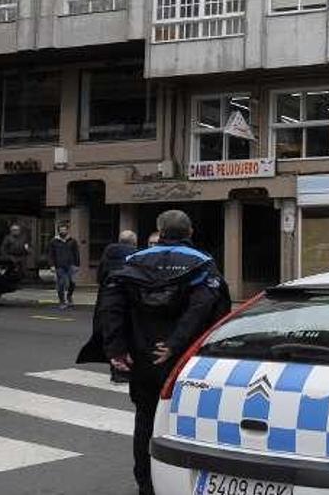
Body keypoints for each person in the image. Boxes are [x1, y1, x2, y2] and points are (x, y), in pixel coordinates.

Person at [76, 210, 230, 495]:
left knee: (145, 420)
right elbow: (205, 309)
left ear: (159, 231)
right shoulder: (203, 264)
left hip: (142, 358)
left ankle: (145, 485)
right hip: (183, 360)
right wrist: (175, 344)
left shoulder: (132, 262)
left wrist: (116, 349)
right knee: (186, 422)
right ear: (190, 232)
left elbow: (109, 307)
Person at [97, 230, 138, 384]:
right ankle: (126, 371)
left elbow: (100, 276)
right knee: (129, 335)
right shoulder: (136, 255)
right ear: (134, 242)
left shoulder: (108, 254)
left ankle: (116, 371)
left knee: (113, 334)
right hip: (129, 300)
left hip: (108, 300)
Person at [48, 224, 80, 309]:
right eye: (61, 230)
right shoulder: (54, 241)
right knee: (61, 283)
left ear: (67, 230)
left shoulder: (72, 241)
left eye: (64, 230)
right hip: (59, 265)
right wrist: (51, 265)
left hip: (70, 265)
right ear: (58, 231)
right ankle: (62, 301)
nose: (63, 231)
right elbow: (51, 254)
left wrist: (77, 265)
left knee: (72, 282)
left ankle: (69, 296)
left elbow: (76, 253)